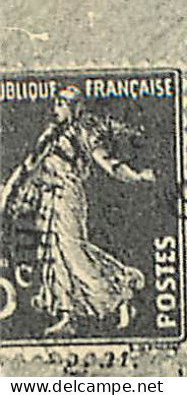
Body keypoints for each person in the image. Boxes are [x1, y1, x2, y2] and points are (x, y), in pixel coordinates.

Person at [0, 87, 156, 335]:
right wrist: (10, 193)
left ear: (75, 107)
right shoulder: (51, 133)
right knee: (53, 254)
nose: (57, 109)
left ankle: (120, 290)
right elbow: (30, 165)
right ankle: (68, 315)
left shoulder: (84, 130)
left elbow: (108, 162)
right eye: (57, 103)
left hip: (68, 196)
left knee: (73, 251)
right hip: (47, 197)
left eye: (62, 104)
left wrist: (136, 176)